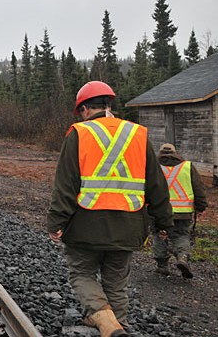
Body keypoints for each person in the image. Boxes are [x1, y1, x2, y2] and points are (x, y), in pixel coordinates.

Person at [47, 81, 173, 337]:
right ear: (108, 105)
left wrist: (56, 222)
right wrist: (163, 223)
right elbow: (156, 184)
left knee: (82, 274)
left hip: (85, 226)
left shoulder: (79, 134)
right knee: (116, 284)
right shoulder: (138, 134)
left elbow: (66, 186)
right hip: (128, 227)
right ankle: (118, 328)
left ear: (83, 108)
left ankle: (106, 323)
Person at [152, 143, 208, 278]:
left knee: (159, 234)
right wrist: (200, 207)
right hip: (183, 212)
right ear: (175, 153)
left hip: (160, 211)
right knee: (181, 235)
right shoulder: (187, 166)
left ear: (160, 153)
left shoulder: (154, 167)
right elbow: (198, 188)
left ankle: (162, 266)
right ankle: (182, 257)